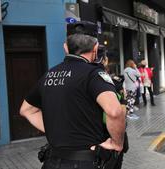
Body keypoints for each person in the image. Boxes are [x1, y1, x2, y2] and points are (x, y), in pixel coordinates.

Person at [19, 21, 126, 169]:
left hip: (51, 162)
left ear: (66, 47)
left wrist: (57, 131)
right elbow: (114, 112)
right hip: (85, 162)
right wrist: (117, 143)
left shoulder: (49, 74)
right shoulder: (94, 74)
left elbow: (26, 110)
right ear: (95, 48)